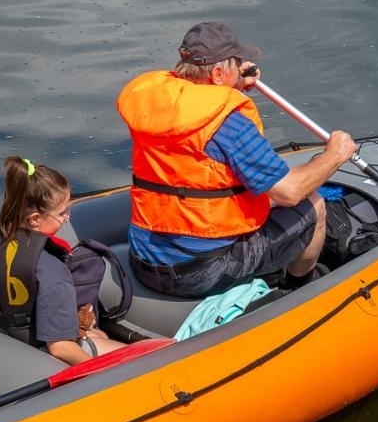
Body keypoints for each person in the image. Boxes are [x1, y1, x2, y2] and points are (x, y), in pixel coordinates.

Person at [115, 21, 358, 298]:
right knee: (314, 204)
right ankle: (298, 289)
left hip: (145, 260)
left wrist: (233, 82)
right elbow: (289, 192)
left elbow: (196, 121)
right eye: (237, 61)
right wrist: (335, 154)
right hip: (201, 271)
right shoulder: (229, 125)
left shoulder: (152, 106)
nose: (243, 65)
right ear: (218, 72)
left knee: (257, 197)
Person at [0, 156, 125, 366]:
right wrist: (100, 371)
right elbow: (60, 348)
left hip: (1, 332)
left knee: (99, 335)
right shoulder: (51, 272)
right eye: (62, 213)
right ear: (35, 219)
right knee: (141, 356)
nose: (67, 217)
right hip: (36, 350)